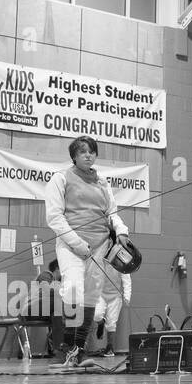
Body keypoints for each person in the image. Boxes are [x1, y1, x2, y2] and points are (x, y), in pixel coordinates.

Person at [43, 136, 130, 368]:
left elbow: (111, 213)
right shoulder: (60, 178)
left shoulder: (103, 183)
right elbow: (55, 218)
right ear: (74, 156)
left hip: (99, 245)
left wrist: (121, 230)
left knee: (91, 296)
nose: (88, 155)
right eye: (83, 152)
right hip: (71, 246)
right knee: (73, 289)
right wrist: (78, 243)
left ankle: (79, 351)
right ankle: (68, 347)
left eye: (91, 151)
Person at [92, 263, 131, 357]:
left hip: (115, 296)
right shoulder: (99, 257)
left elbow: (127, 280)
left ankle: (110, 347)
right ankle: (101, 323)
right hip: (101, 294)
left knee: (111, 323)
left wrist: (127, 296)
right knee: (96, 316)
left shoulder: (120, 261)